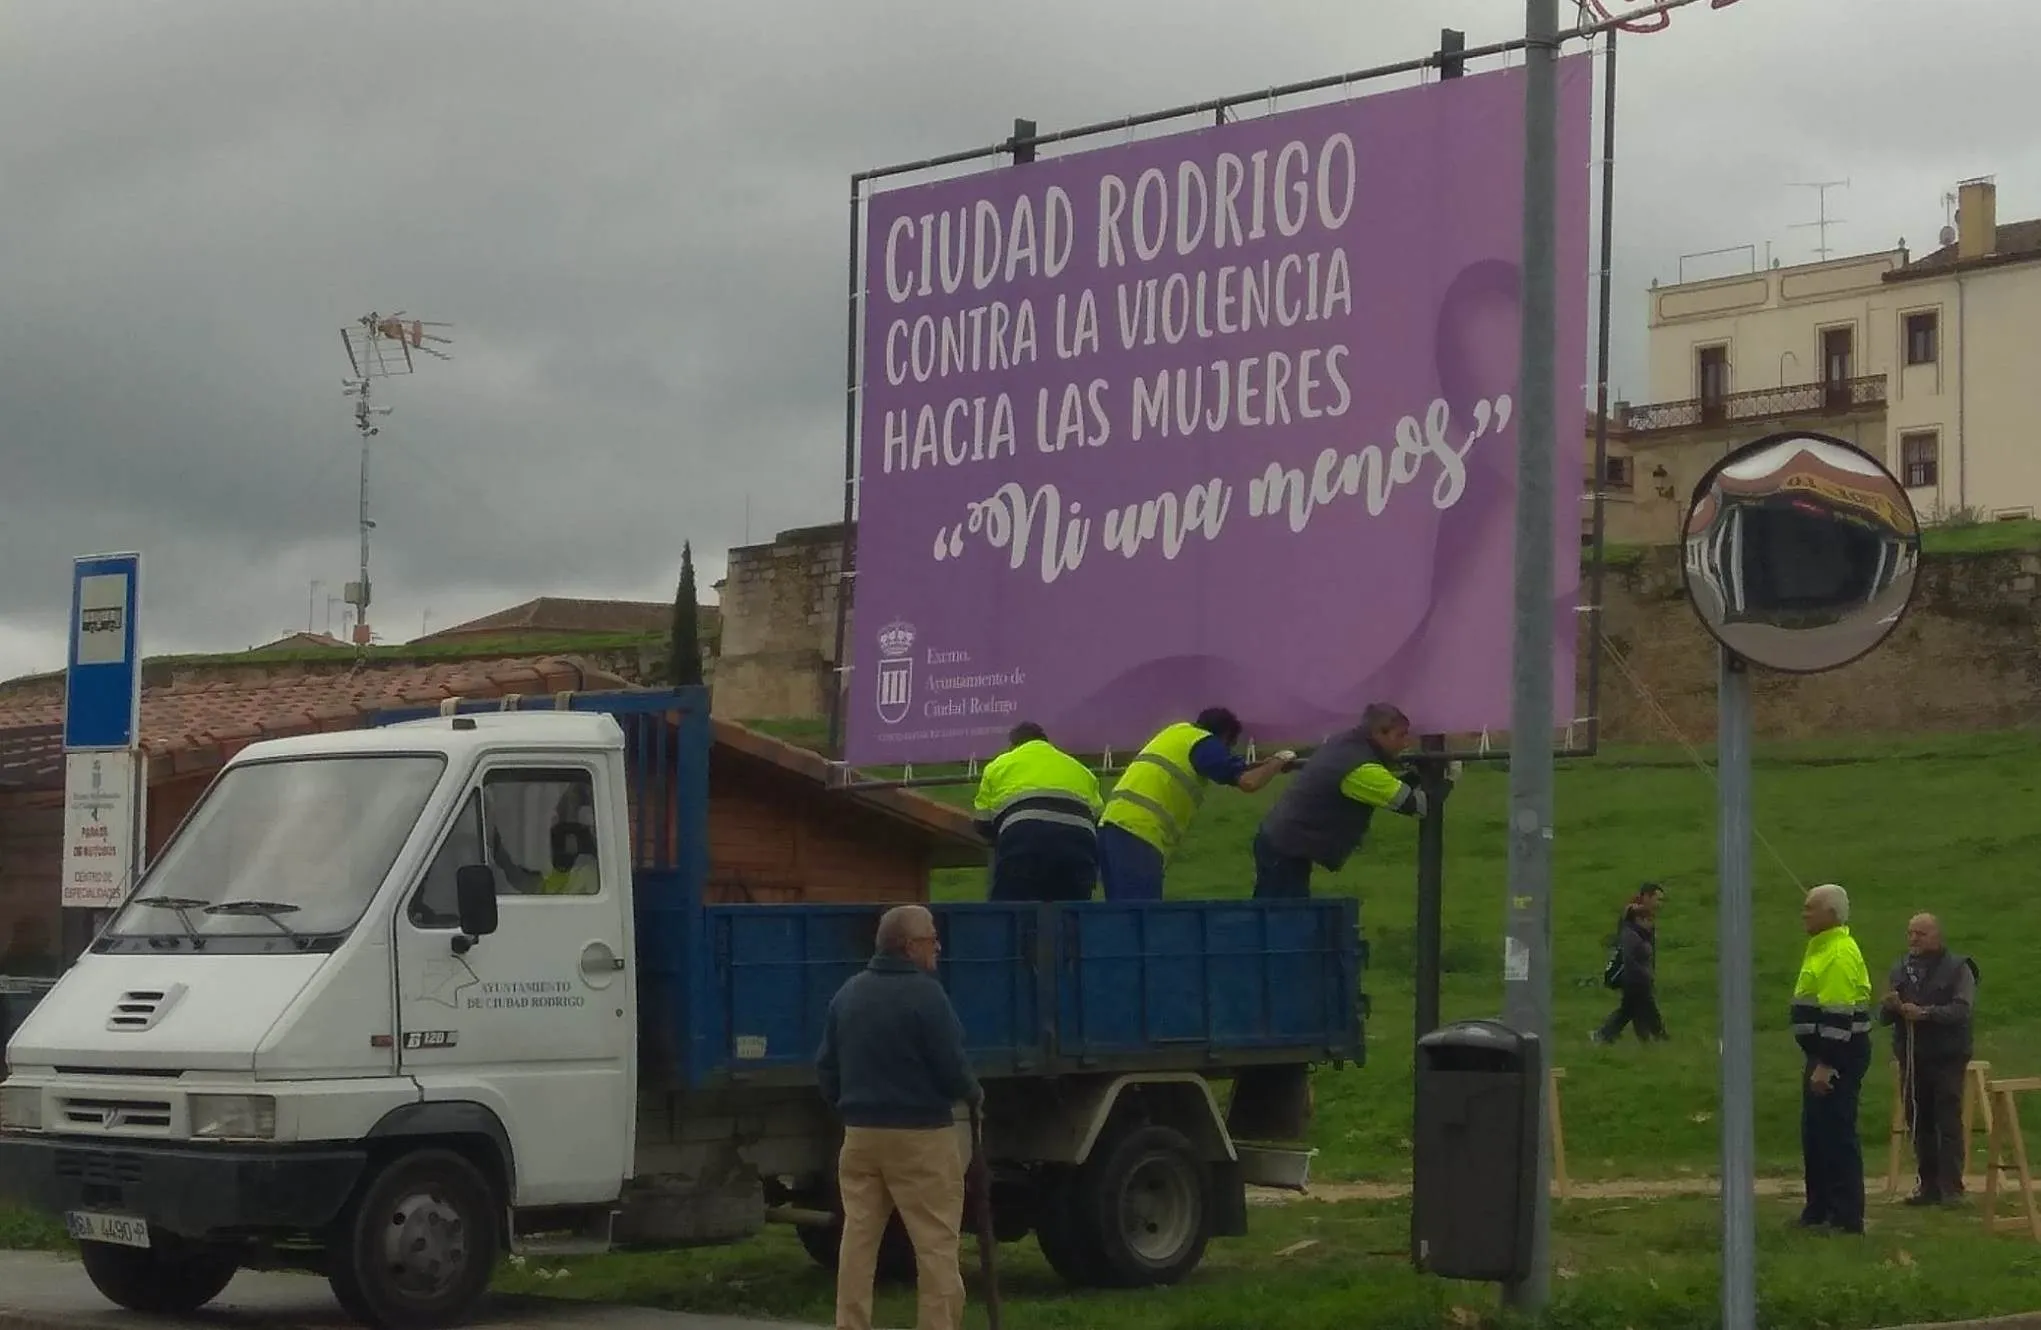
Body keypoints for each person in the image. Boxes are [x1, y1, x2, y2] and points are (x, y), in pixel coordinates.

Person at [815, 904, 980, 1330]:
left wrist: (848, 1106)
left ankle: (851, 1323)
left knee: (858, 1237)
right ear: (909, 947)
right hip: (921, 1136)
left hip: (861, 1135)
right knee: (935, 1240)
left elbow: (826, 1066)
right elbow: (951, 1067)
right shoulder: (927, 996)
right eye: (931, 939)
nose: (937, 947)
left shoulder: (849, 993)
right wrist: (972, 1092)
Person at [1249, 703, 1454, 898]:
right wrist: (1449, 779)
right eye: (1400, 735)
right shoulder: (1361, 768)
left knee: (1276, 910)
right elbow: (1419, 806)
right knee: (1282, 914)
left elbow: (1388, 788)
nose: (1405, 743)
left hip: (1281, 839)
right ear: (1379, 733)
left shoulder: (1345, 743)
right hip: (1287, 845)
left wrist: (1417, 775)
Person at [1097, 708, 1292, 901]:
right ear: (1224, 736)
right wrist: (1279, 760)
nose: (1227, 752)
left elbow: (1233, 766)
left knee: (1121, 912)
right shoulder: (1205, 743)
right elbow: (1249, 782)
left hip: (1112, 827)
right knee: (1141, 912)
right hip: (1139, 832)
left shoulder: (1178, 733)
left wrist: (1263, 765)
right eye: (1229, 747)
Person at [1877, 912, 1978, 1206]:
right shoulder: (1900, 968)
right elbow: (1883, 1018)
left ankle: (1951, 1188)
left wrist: (1925, 1013)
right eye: (1910, 933)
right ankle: (1928, 1185)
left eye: (1920, 934)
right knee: (1919, 1120)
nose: (1913, 939)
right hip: (1911, 1056)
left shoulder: (1959, 968)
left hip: (1947, 1056)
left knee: (1947, 1121)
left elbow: (1961, 1009)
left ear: (1936, 936)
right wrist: (1891, 1005)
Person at [1791, 882, 1873, 1235]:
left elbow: (1839, 1014)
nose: (1804, 914)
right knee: (1815, 1133)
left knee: (1836, 1133)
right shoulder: (1821, 948)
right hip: (1822, 1052)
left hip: (1838, 1054)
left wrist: (1827, 1064)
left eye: (1810, 908)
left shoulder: (1838, 953)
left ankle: (1846, 1216)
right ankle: (1818, 1209)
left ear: (1831, 914)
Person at [970, 722, 1102, 902]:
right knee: (1072, 908)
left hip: (1024, 840)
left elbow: (982, 822)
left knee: (1012, 906)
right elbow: (1098, 817)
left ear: (1013, 745)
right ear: (1045, 741)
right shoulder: (1081, 769)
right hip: (1079, 844)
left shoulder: (998, 765)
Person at [1593, 884, 1668, 1044]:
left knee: (1631, 1008)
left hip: (1638, 972)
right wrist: (1645, 973)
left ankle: (1644, 1038)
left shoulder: (1642, 915)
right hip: (1633, 973)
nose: (1660, 904)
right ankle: (1657, 1037)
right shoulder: (1634, 916)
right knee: (1641, 1005)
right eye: (1658, 899)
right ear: (1646, 896)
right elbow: (1631, 949)